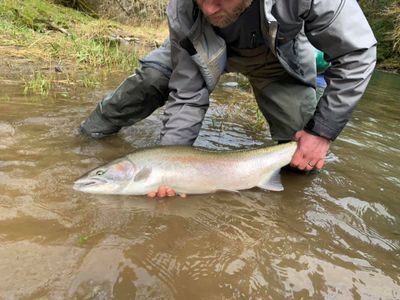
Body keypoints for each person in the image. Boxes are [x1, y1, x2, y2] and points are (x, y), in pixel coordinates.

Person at [80, 0, 376, 197]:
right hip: (200, 51)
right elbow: (187, 93)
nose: (209, 9)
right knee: (151, 79)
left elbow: (358, 53)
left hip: (277, 58)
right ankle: (85, 134)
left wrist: (321, 132)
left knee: (302, 159)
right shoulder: (186, 7)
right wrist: (170, 164)